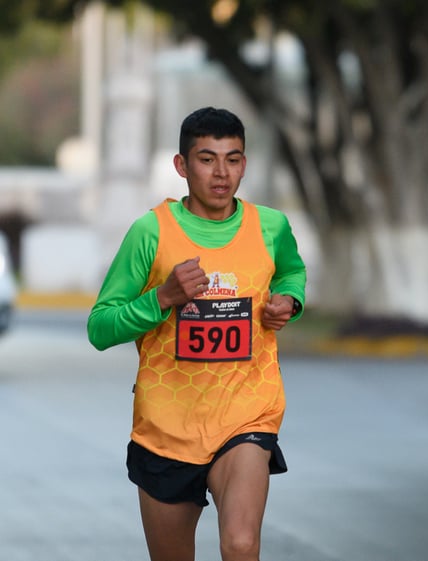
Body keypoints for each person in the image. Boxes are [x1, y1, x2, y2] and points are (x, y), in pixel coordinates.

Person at [88, 107, 306, 561]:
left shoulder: (271, 227)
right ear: (181, 166)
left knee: (241, 543)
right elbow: (100, 327)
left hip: (247, 414)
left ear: (245, 163)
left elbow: (291, 272)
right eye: (207, 159)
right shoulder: (151, 232)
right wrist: (161, 297)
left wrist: (289, 301)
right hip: (166, 426)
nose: (221, 173)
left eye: (233, 158)